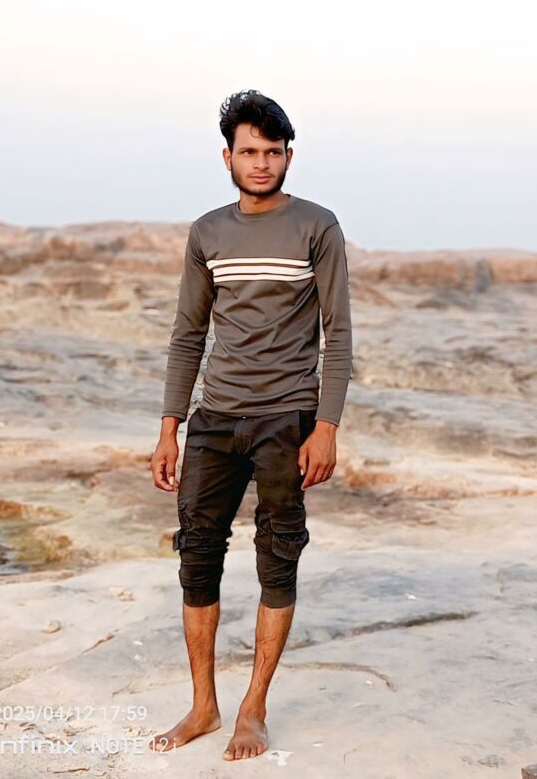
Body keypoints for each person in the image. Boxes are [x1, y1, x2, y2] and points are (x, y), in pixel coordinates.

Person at [149, 89, 353, 761]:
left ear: (288, 155)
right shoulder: (207, 232)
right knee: (197, 556)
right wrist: (170, 426)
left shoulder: (317, 226)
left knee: (278, 555)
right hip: (214, 419)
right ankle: (203, 706)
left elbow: (338, 332)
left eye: (272, 151)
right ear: (227, 157)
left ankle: (253, 708)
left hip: (285, 419)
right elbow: (188, 332)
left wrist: (325, 426)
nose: (260, 163)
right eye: (248, 151)